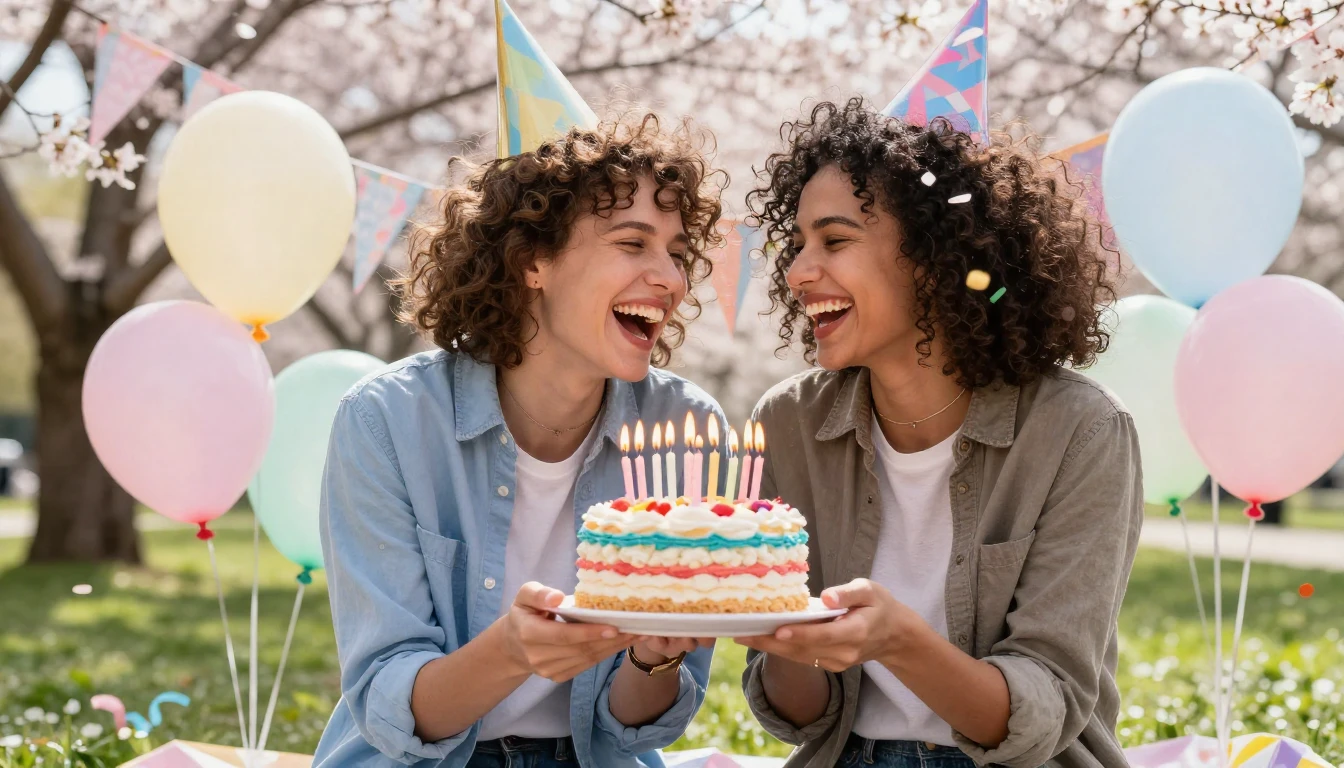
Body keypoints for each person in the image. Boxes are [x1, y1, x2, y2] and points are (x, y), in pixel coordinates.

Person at [735, 99, 1143, 768]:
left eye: (834, 240)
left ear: (934, 258)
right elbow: (801, 716)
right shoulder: (787, 425)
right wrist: (787, 640)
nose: (797, 271)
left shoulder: (1082, 432)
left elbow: (1044, 710)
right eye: (800, 242)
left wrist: (898, 639)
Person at [314, 114, 726, 768]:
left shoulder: (687, 433)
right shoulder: (386, 420)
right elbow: (390, 704)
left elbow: (636, 728)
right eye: (632, 243)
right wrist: (512, 651)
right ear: (533, 260)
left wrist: (658, 655)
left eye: (676, 254)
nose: (670, 280)